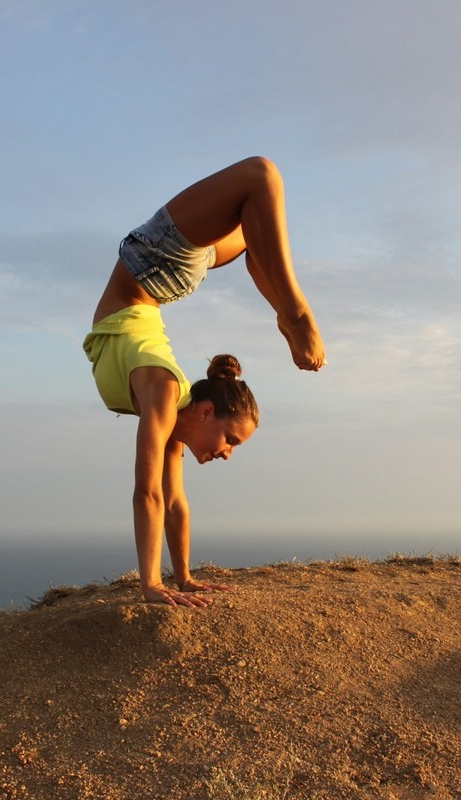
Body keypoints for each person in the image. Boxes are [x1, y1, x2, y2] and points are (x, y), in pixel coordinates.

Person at [83, 156, 325, 607]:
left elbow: (174, 501)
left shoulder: (174, 418)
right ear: (207, 410)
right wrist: (150, 584)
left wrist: (184, 577)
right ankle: (293, 312)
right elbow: (147, 493)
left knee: (257, 227)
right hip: (152, 263)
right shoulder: (163, 391)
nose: (227, 453)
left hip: (169, 276)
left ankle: (284, 311)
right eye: (231, 439)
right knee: (260, 176)